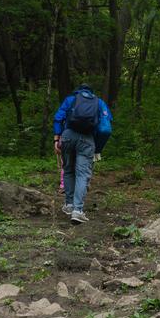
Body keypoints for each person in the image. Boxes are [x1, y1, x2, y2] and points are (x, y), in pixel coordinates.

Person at [53, 83, 112, 224]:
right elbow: (105, 128)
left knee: (68, 170)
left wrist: (56, 138)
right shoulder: (99, 103)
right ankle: (77, 211)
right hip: (87, 139)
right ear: (91, 92)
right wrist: (98, 148)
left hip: (67, 136)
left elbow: (58, 118)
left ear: (78, 91)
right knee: (82, 174)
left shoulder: (70, 99)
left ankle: (68, 205)